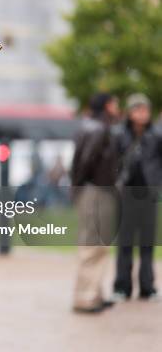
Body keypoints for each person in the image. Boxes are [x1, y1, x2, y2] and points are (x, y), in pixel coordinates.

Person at [70, 92, 121, 313]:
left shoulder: (93, 126)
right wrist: (79, 189)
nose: (118, 107)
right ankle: (85, 298)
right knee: (93, 245)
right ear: (108, 105)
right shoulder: (98, 129)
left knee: (99, 245)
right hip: (95, 191)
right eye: (115, 103)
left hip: (95, 190)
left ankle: (95, 293)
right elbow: (85, 162)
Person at [112, 93, 161, 301]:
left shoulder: (156, 136)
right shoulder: (120, 135)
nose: (142, 114)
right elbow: (112, 162)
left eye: (145, 110)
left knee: (147, 244)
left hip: (148, 195)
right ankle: (122, 287)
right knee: (124, 243)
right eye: (138, 110)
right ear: (130, 112)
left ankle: (147, 287)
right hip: (126, 195)